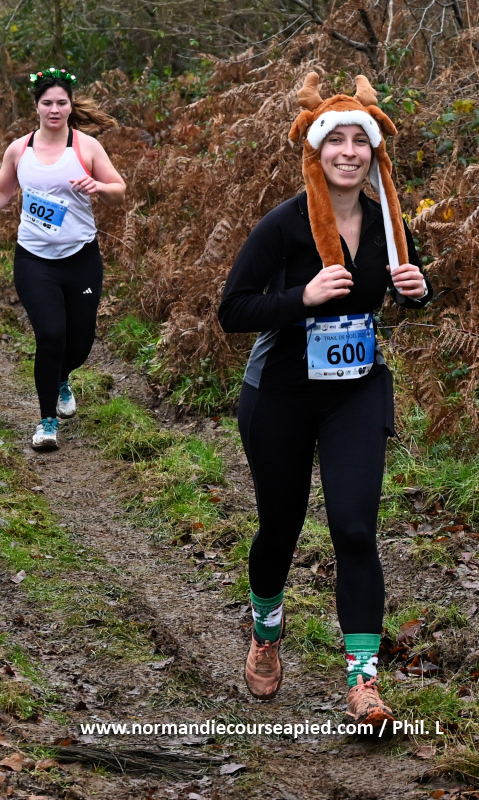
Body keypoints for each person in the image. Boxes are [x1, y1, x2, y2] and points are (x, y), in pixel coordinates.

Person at [218, 73, 433, 725]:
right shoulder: (284, 224)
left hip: (355, 393)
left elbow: (406, 289)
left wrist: (418, 290)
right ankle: (266, 627)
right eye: (335, 140)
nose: (348, 151)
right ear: (316, 149)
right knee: (280, 528)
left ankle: (363, 681)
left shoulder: (386, 220)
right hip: (279, 394)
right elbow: (233, 310)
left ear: (373, 151)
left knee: (355, 529)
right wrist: (300, 298)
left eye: (358, 140)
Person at [0, 67, 126, 450]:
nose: (54, 109)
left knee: (80, 343)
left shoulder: (86, 147)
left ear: (70, 105)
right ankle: (47, 421)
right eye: (47, 103)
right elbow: (2, 189)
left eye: (61, 103)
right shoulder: (20, 149)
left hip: (81, 258)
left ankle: (62, 377)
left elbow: (119, 192)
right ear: (36, 105)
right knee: (50, 335)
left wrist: (98, 185)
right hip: (34, 259)